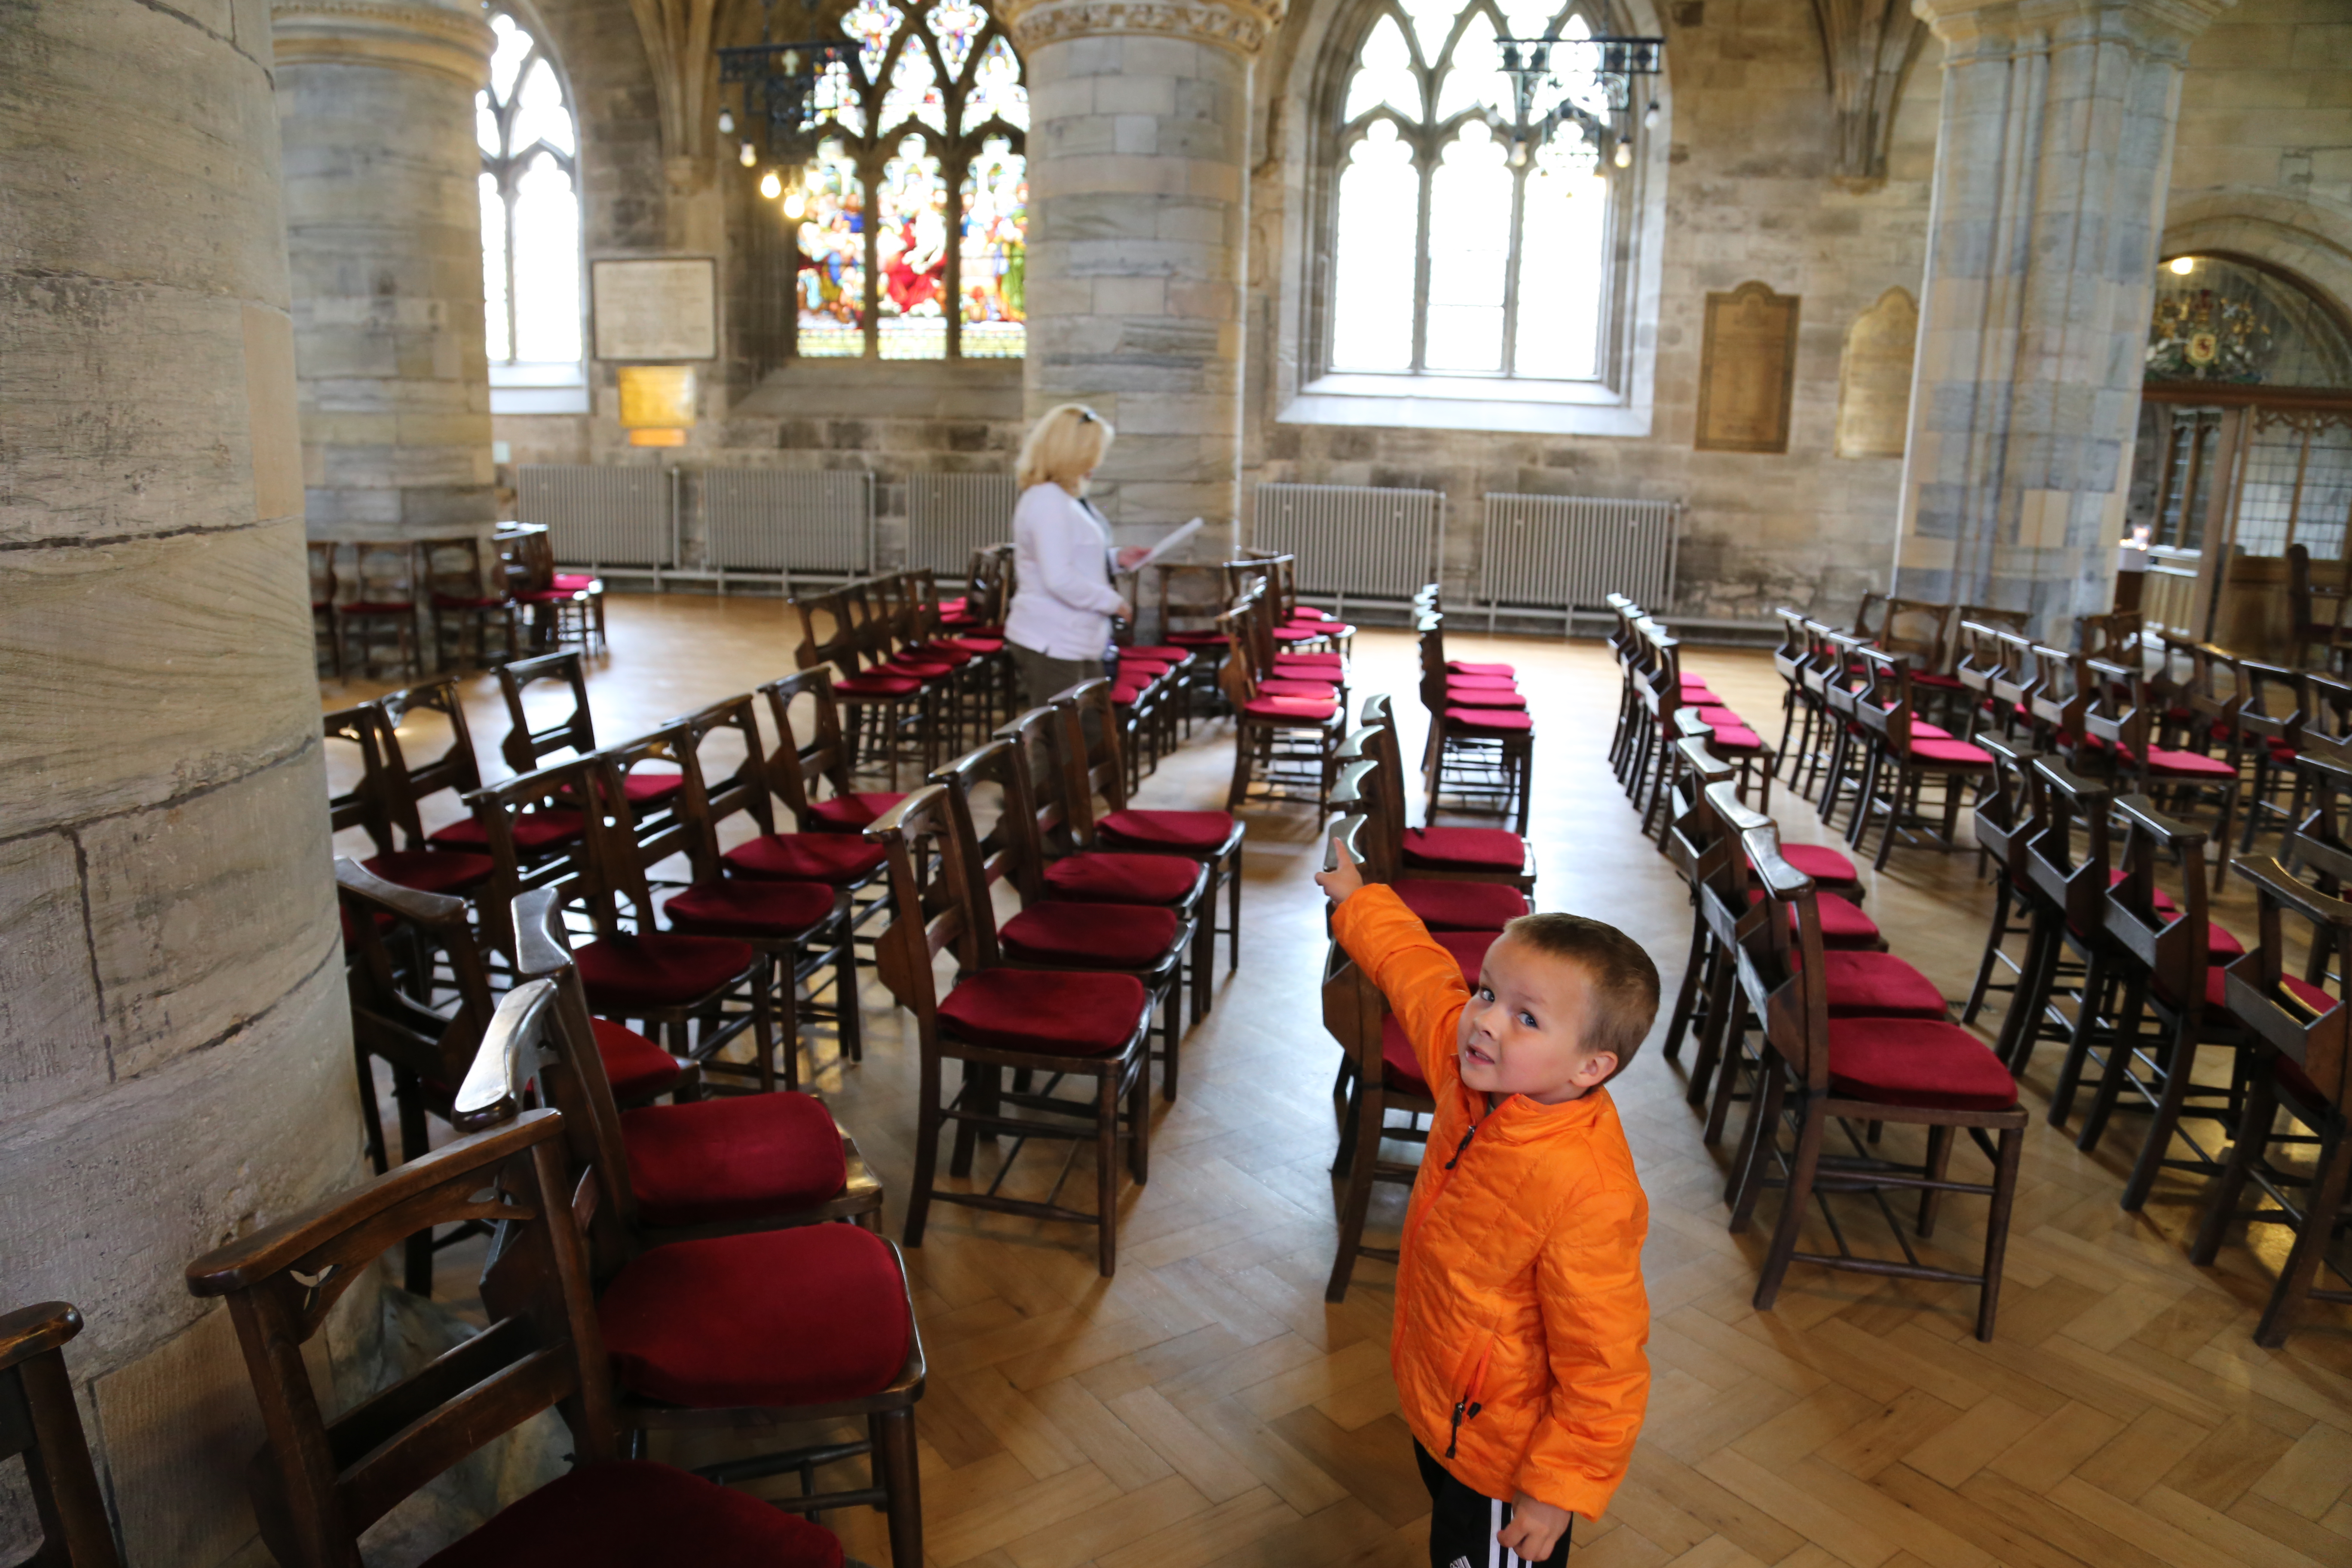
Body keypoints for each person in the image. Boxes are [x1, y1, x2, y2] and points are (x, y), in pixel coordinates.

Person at [1314, 841, 1654, 1568]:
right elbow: (1418, 974)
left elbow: (1605, 1364)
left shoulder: (1586, 1187)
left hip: (1507, 1461)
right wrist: (1359, 899)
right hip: (1447, 1408)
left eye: (1526, 1018)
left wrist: (1556, 1488)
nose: (1487, 1021)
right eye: (1489, 992)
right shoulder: (1477, 1075)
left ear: (1591, 1066)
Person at [1003, 403, 1151, 712]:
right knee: (1061, 743)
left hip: (1072, 638)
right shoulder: (1048, 502)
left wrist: (1114, 559)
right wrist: (1114, 603)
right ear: (1072, 454)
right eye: (1093, 451)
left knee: (1089, 735)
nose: (1097, 461)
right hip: (1052, 639)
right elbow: (1059, 578)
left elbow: (1071, 556)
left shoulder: (1062, 498)